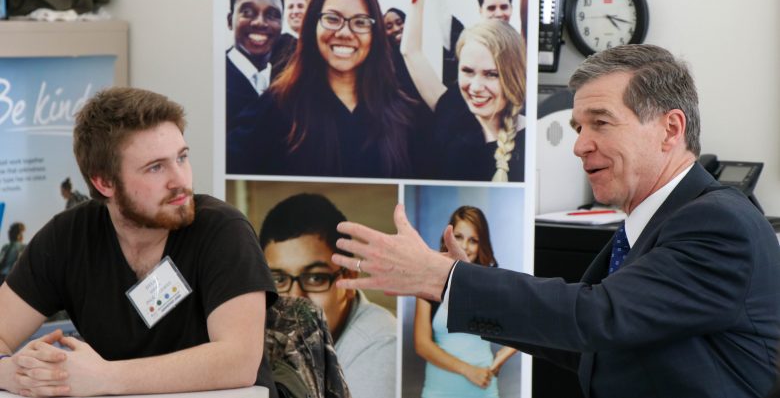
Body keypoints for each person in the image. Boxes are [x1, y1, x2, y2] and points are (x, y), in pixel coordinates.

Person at [332, 44, 780, 398]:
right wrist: (459, 283)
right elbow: (591, 344)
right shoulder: (651, 222)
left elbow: (595, 317)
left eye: (600, 123)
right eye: (577, 128)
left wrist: (447, 278)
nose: (580, 146)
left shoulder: (719, 224)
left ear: (670, 128)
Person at [0, 87, 279, 397]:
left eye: (182, 158)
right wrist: (13, 372)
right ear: (104, 182)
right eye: (155, 167)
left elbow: (239, 361)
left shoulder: (223, 230)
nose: (180, 180)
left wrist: (105, 377)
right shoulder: (67, 237)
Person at [227, 0, 425, 178]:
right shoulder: (277, 106)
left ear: (375, 34)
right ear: (313, 25)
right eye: (332, 19)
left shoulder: (404, 114)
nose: (345, 32)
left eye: (360, 22)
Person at [259, 193, 395, 398]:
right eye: (278, 279)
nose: (295, 297)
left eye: (315, 278)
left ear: (349, 278)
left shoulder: (381, 346)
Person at [402, 0, 526, 182]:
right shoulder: (451, 108)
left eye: (491, 74)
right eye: (467, 71)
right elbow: (410, 51)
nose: (476, 87)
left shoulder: (528, 136)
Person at [415, 206, 516, 397]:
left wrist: (503, 356)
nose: (464, 246)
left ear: (481, 244)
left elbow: (528, 323)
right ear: (448, 238)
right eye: (459, 237)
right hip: (437, 392)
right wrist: (469, 371)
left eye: (473, 240)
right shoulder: (428, 281)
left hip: (483, 391)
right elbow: (422, 344)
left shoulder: (492, 283)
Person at [226, 0, 296, 130]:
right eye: (248, 12)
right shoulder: (217, 79)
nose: (260, 22)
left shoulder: (286, 83)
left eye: (272, 15)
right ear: (230, 21)